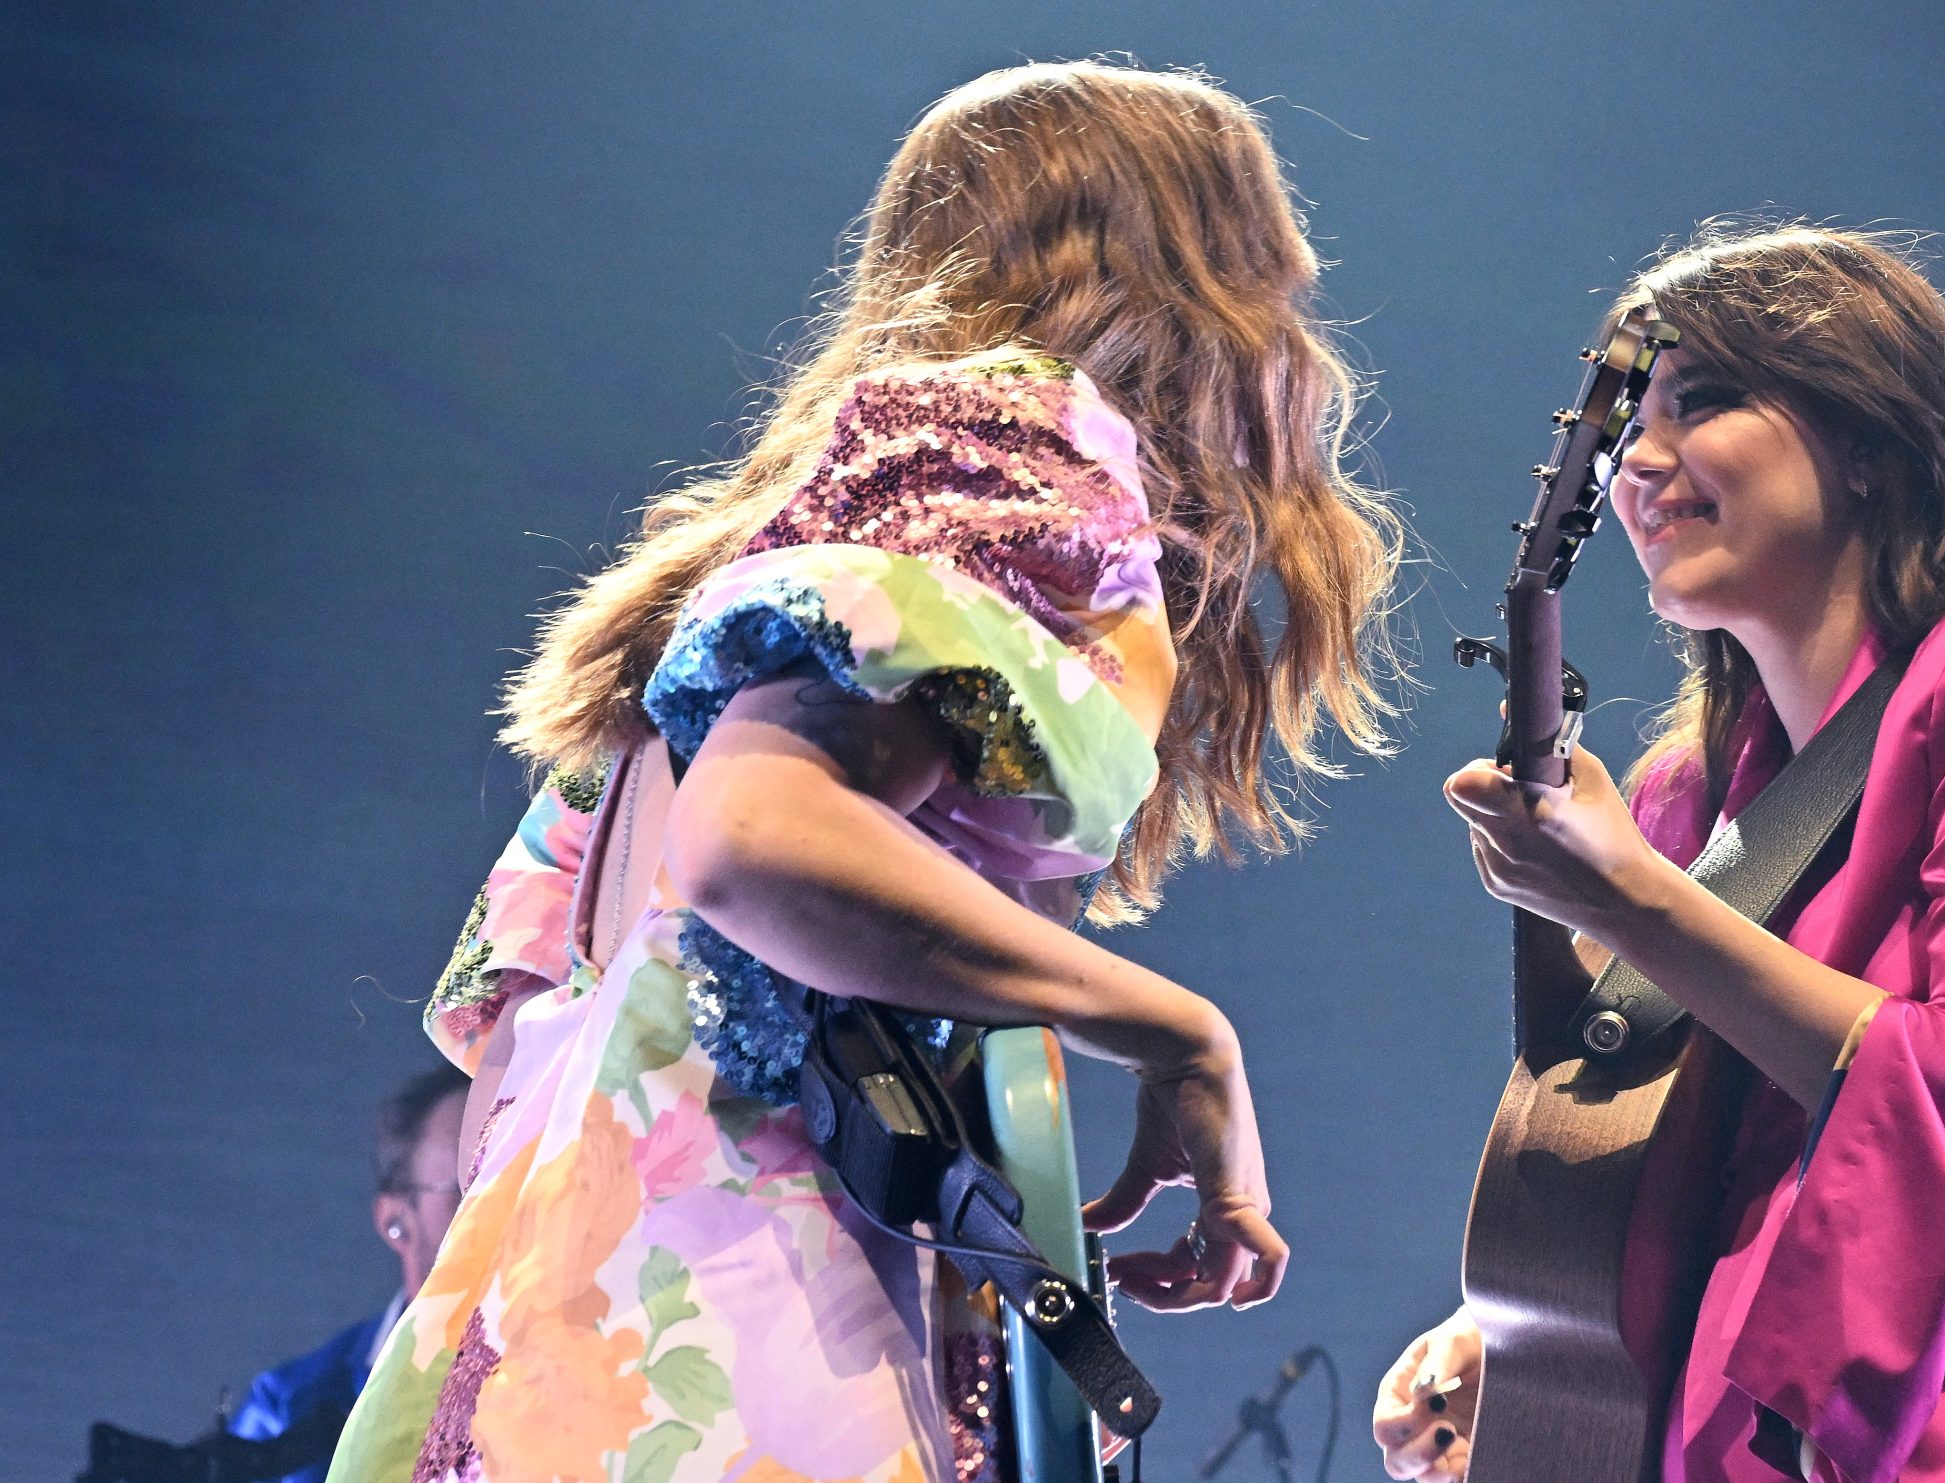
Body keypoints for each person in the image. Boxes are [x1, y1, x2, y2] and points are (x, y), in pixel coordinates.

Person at [325, 61, 1401, 1483]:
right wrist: (1180, 1028)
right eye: (1275, 270)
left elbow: (515, 1047)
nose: (1297, 322)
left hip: (546, 1335)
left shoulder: (752, 558)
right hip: (733, 1333)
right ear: (1191, 282)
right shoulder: (1013, 445)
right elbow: (754, 843)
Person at [1374, 223, 1945, 1481]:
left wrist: (1629, 903)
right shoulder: (1702, 800)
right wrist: (1519, 1335)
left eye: (1707, 400)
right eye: (1628, 429)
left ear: (1872, 443)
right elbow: (1695, 1170)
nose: (1638, 465)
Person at [224, 1066, 469, 1483]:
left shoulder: (597, 1366)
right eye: (471, 1187)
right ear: (396, 1220)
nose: (510, 1211)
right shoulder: (288, 1409)